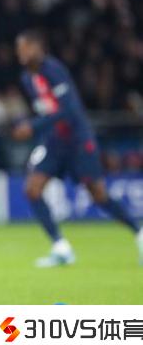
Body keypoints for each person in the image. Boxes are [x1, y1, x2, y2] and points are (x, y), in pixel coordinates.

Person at [12, 29, 143, 267]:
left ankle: (139, 232)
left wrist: (33, 126)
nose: (21, 53)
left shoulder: (54, 70)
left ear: (37, 47)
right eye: (19, 49)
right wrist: (37, 130)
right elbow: (46, 110)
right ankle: (61, 248)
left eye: (25, 47)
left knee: (98, 194)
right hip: (54, 141)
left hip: (78, 140)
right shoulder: (26, 79)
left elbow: (69, 110)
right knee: (32, 189)